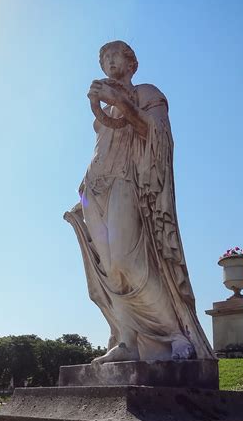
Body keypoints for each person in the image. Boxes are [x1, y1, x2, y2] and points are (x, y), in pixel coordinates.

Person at [65, 41, 213, 363]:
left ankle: (175, 333)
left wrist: (122, 104)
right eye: (104, 57)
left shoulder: (146, 93)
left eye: (116, 54)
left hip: (126, 179)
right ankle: (128, 340)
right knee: (109, 270)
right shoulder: (104, 108)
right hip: (94, 187)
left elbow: (159, 135)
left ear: (132, 63)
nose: (109, 61)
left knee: (128, 261)